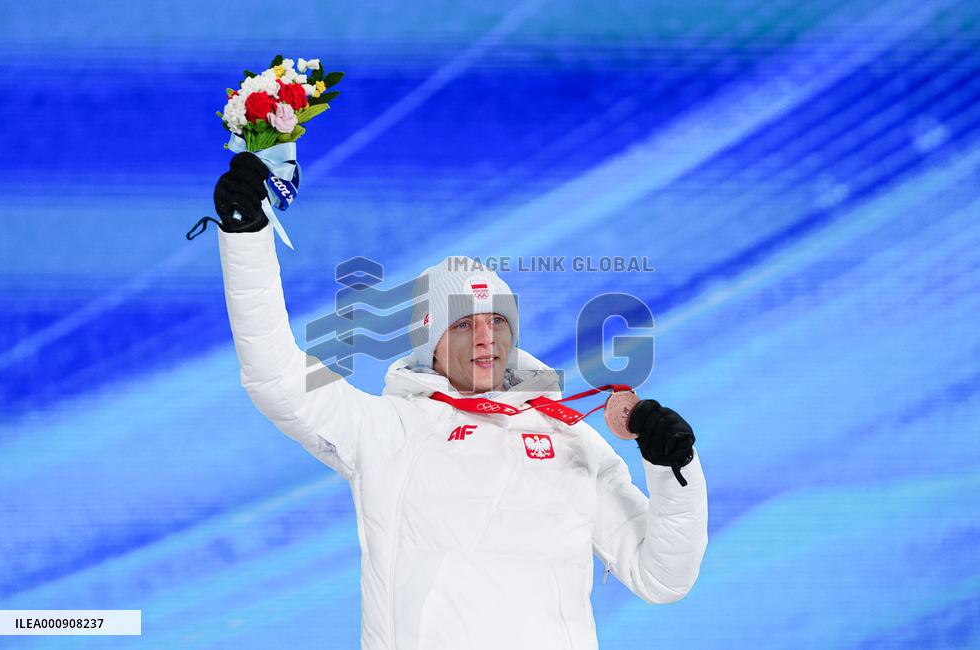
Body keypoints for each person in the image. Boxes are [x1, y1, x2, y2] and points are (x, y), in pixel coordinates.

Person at [203, 152, 708, 649]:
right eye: (464, 323)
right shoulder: (386, 430)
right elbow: (277, 379)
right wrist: (247, 240)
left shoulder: (571, 437)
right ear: (431, 342)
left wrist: (672, 468)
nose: (486, 337)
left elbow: (662, 578)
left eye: (498, 321)